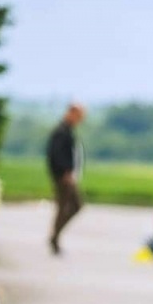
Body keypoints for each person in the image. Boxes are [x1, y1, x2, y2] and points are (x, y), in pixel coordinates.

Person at [46, 103, 85, 255]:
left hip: (67, 175)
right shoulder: (61, 131)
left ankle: (55, 237)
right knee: (67, 207)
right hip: (63, 177)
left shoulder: (67, 130)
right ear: (72, 113)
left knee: (69, 207)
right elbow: (55, 154)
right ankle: (54, 238)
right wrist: (64, 172)